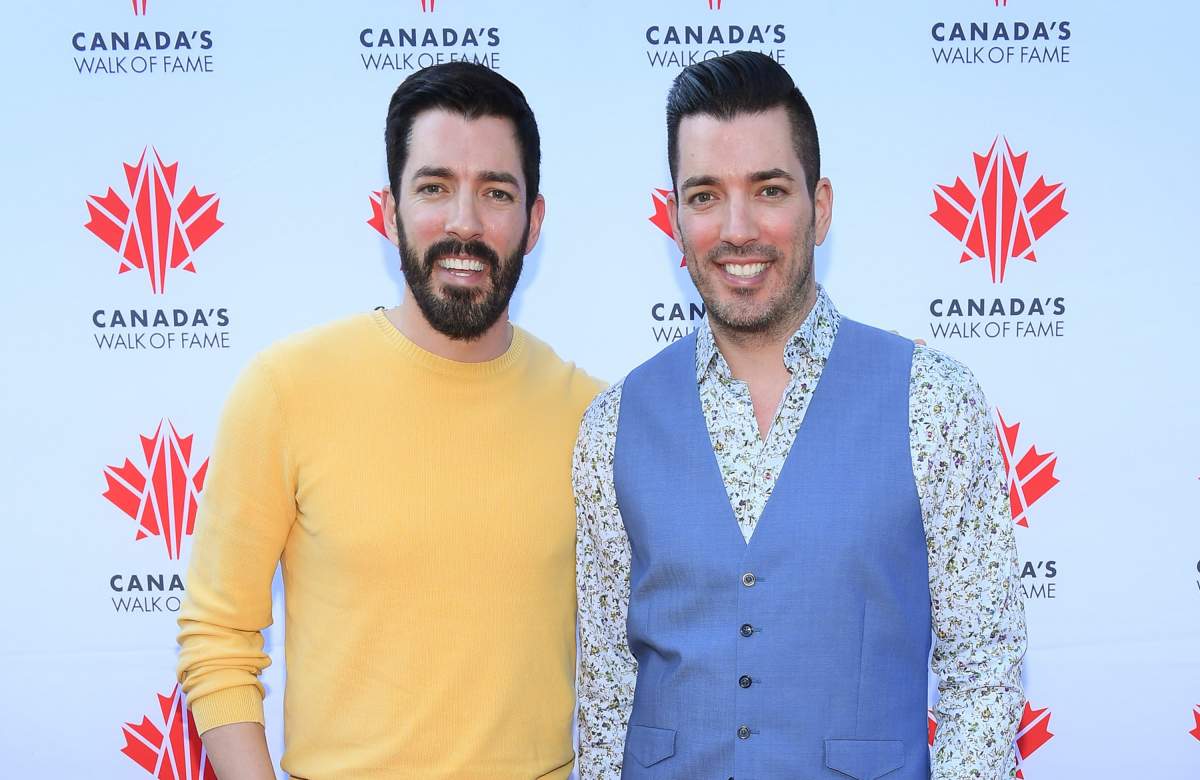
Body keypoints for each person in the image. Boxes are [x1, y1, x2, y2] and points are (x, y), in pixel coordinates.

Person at [574, 51, 1026, 780]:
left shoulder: (935, 402)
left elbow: (982, 667)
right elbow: (605, 692)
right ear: (676, 218)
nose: (737, 228)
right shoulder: (613, 425)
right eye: (705, 195)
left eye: (769, 189)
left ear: (820, 208)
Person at [177, 62, 600, 780]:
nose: (463, 222)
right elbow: (218, 637)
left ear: (533, 222)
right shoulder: (285, 390)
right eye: (433, 187)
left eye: (496, 193)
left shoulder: (593, 416)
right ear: (388, 210)